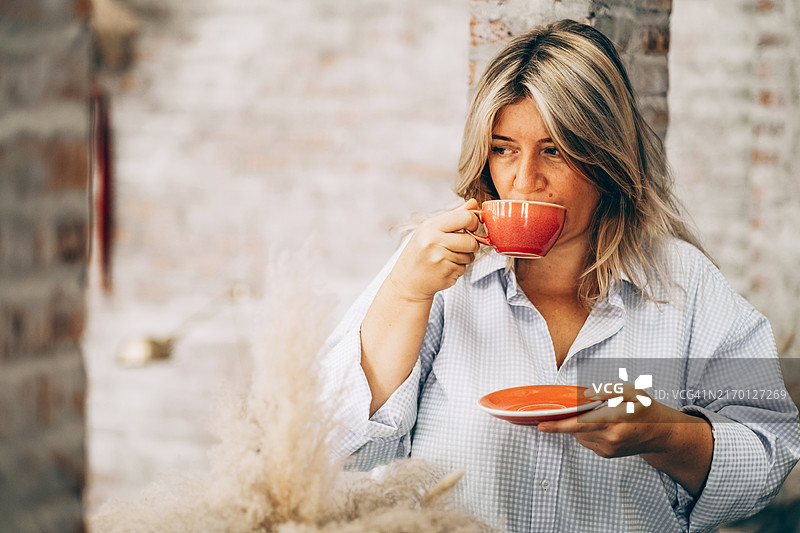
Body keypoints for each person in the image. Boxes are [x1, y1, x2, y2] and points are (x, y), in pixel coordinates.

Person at [319, 19, 800, 532]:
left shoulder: (683, 284)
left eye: (554, 150)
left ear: (606, 156)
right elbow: (338, 454)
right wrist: (406, 293)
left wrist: (666, 434)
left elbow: (770, 455)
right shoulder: (432, 272)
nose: (524, 181)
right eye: (503, 148)